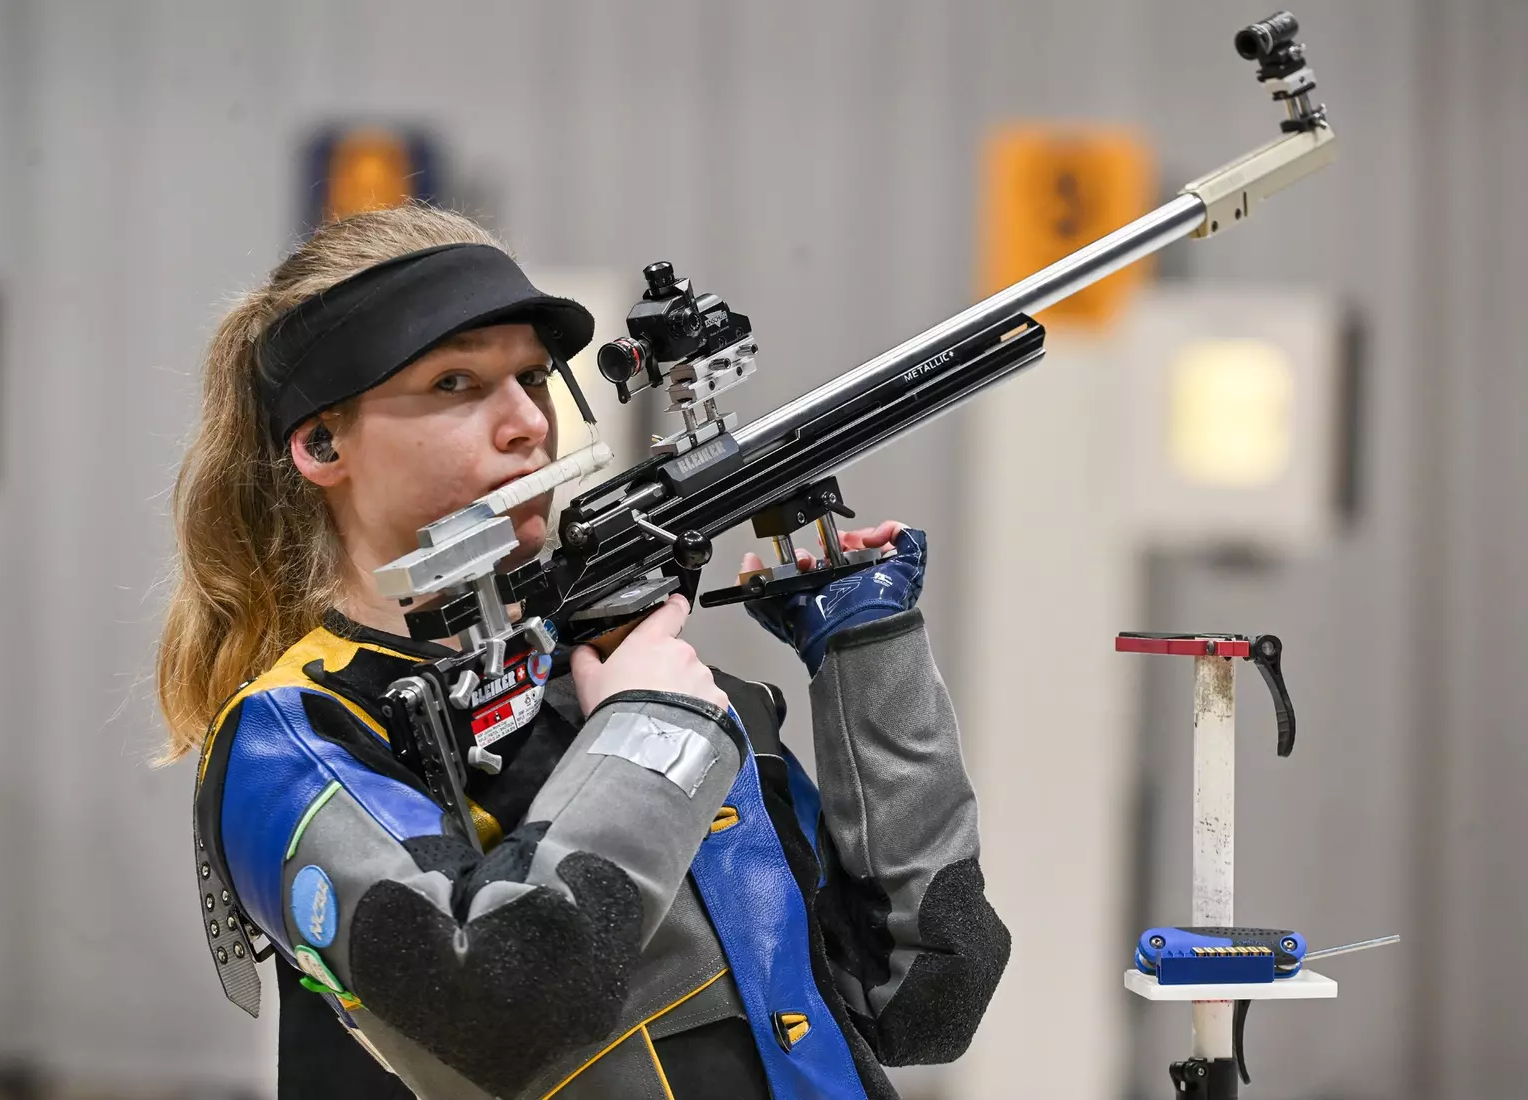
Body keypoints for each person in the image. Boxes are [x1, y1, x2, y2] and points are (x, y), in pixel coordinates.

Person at [158, 203, 1010, 1100]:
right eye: (455, 383)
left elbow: (929, 998)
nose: (525, 422)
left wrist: (866, 645)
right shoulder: (291, 741)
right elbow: (498, 1006)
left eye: (531, 377)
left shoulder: (634, 680)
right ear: (323, 444)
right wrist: (651, 732)